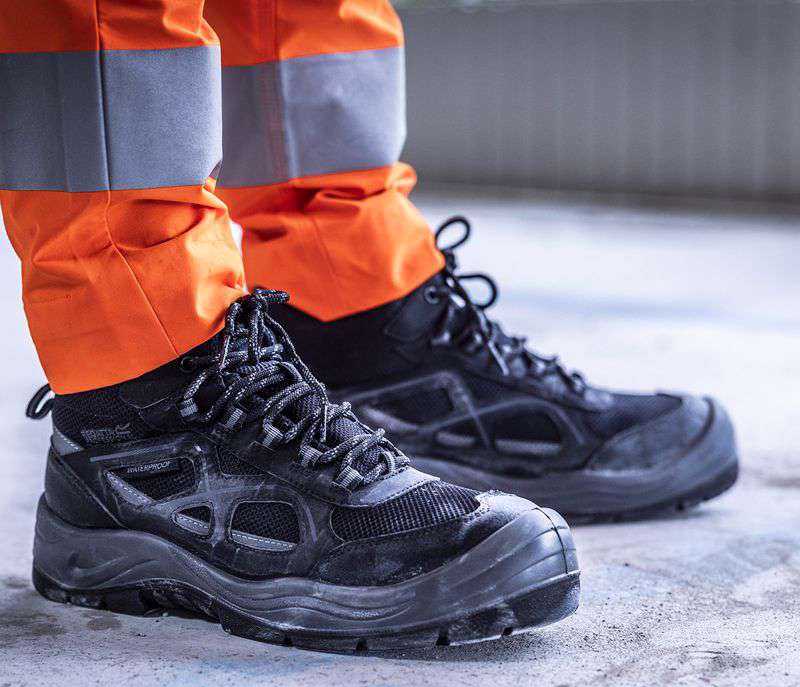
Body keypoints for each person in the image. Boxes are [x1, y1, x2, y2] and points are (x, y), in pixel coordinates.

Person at [0, 1, 736, 653]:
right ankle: (145, 392)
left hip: (338, 278)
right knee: (106, 18)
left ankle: (350, 299)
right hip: (149, 363)